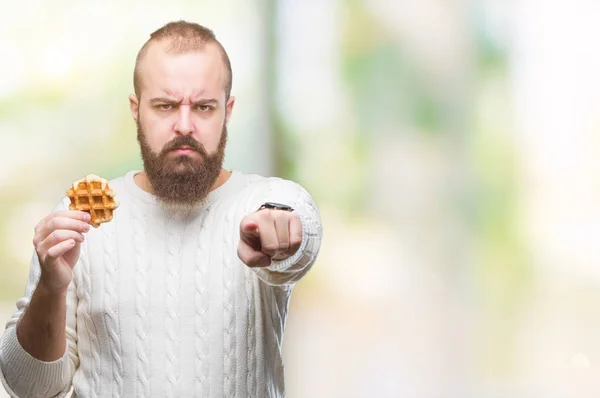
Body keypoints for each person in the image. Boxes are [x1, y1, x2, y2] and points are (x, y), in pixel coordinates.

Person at [0, 20, 322, 398]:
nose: (184, 126)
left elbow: (302, 235)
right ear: (136, 110)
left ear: (228, 110)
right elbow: (28, 388)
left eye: (203, 107)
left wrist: (281, 238)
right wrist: (51, 288)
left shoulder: (268, 199)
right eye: (165, 106)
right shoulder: (78, 223)